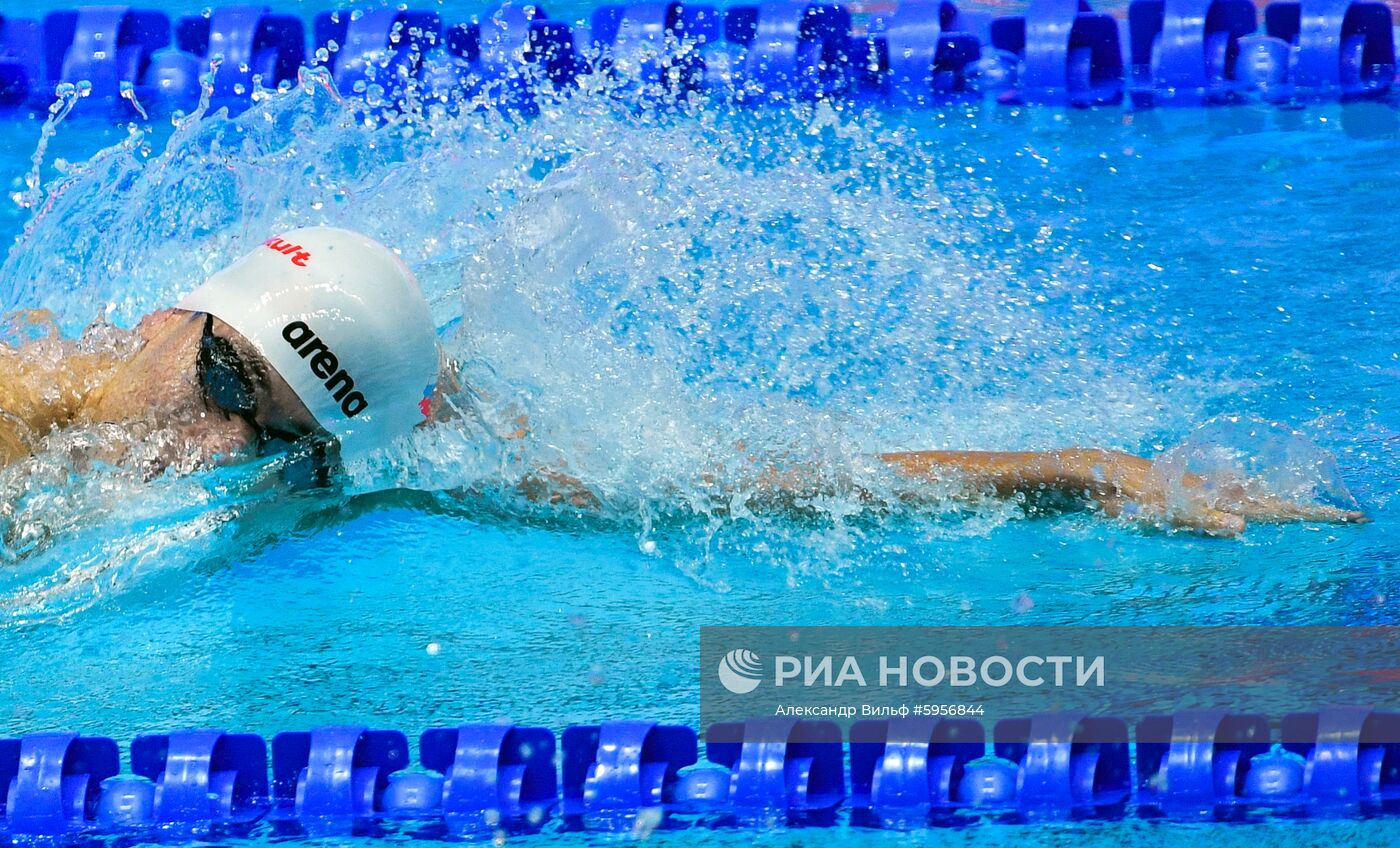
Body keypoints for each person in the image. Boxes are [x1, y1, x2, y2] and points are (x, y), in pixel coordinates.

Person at [0, 227, 1368, 537]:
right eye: (224, 373)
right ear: (179, 314)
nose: (208, 440)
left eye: (273, 438)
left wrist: (1075, 469)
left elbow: (706, 481)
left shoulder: (379, 443)